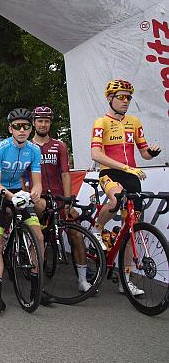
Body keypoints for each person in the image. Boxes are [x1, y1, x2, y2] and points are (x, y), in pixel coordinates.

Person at [90, 80, 162, 295]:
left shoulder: (134, 122)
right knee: (115, 198)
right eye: (121, 96)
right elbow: (96, 154)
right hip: (109, 172)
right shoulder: (101, 122)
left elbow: (144, 153)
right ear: (110, 98)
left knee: (132, 227)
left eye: (128, 97)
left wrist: (152, 152)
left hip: (131, 175)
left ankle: (126, 280)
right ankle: (96, 229)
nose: (125, 101)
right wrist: (124, 166)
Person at [0, 108, 47, 314]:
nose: (22, 130)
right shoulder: (0, 148)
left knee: (38, 236)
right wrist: (13, 197)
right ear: (10, 129)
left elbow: (37, 182)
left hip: (19, 192)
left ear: (31, 128)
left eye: (26, 126)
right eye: (17, 127)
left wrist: (35, 193)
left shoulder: (34, 150)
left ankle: (38, 289)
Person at [30, 106, 90, 292]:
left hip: (58, 196)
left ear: (50, 123)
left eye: (46, 121)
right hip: (38, 197)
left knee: (76, 234)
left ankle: (82, 280)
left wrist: (67, 200)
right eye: (40, 121)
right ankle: (35, 276)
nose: (43, 124)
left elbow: (65, 174)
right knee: (36, 235)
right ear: (34, 123)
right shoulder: (28, 146)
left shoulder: (59, 145)